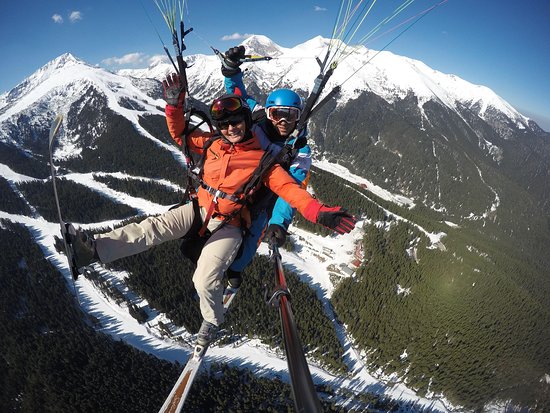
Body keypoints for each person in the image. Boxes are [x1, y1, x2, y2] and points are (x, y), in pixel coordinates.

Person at [70, 78, 356, 347]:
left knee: (204, 278)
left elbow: (290, 190)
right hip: (200, 208)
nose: (231, 128)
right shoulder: (212, 143)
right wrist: (173, 107)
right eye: (225, 124)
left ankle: (212, 321)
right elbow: (181, 134)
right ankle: (93, 251)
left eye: (236, 122)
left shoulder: (264, 161)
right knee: (151, 228)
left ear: (247, 122)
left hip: (230, 224)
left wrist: (319, 212)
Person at [219, 45, 312, 286]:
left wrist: (279, 222)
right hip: (239, 184)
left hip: (265, 198)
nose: (283, 121)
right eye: (277, 114)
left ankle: (234, 273)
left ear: (298, 117)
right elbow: (238, 97)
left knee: (253, 238)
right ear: (268, 113)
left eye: (290, 115)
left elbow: (292, 189)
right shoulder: (258, 117)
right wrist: (231, 70)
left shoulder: (300, 150)